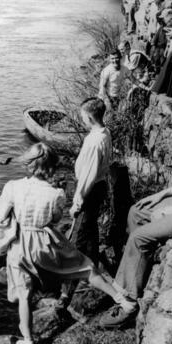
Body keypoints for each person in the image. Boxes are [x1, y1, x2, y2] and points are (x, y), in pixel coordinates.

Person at [0, 143, 120, 344]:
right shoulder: (57, 194)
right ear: (52, 166)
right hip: (43, 243)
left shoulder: (13, 186)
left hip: (18, 247)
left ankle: (27, 340)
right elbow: (54, 219)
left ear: (29, 164)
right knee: (83, 267)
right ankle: (120, 298)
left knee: (24, 296)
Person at [100, 97, 172, 329]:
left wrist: (169, 210)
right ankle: (138, 268)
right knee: (137, 211)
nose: (170, 129)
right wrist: (161, 195)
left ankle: (128, 303)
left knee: (139, 237)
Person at [56, 97, 112, 310]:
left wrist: (77, 202)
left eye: (82, 116)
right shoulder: (103, 133)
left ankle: (65, 296)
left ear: (89, 117)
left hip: (89, 191)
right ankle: (94, 270)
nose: (81, 119)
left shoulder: (94, 141)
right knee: (90, 232)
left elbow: (88, 176)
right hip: (98, 187)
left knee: (76, 241)